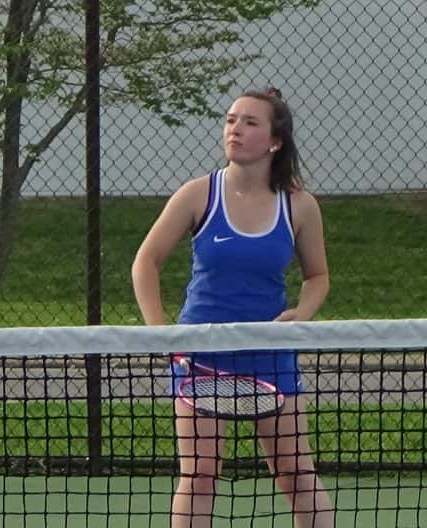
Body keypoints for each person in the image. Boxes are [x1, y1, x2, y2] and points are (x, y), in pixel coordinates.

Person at [131, 89, 335, 528]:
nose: (235, 129)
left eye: (249, 122)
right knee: (199, 476)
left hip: (269, 352)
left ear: (275, 141)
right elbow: (145, 262)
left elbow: (318, 276)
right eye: (230, 120)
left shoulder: (300, 205)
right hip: (200, 355)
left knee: (296, 473)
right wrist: (159, 332)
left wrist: (302, 313)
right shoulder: (197, 195)